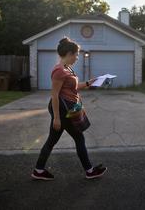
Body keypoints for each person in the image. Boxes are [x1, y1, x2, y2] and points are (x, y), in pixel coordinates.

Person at [31, 37, 107, 180]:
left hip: (67, 109)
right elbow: (54, 95)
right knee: (79, 138)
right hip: (63, 111)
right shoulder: (59, 70)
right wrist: (57, 118)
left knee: (52, 140)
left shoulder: (67, 69)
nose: (77, 58)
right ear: (69, 53)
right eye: (76, 54)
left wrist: (93, 82)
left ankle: (38, 170)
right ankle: (89, 171)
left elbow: (75, 87)